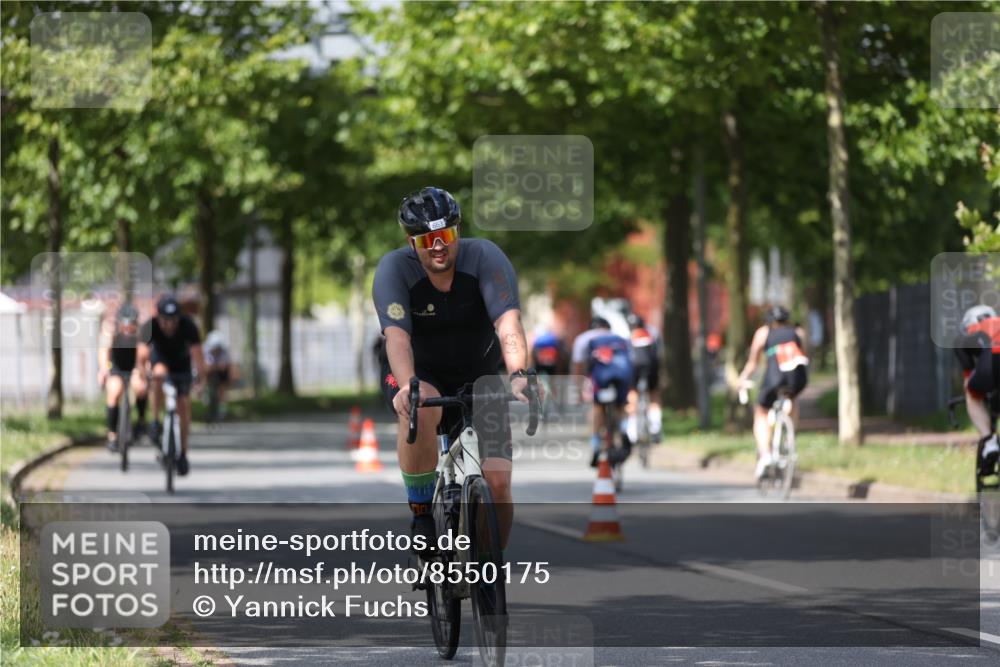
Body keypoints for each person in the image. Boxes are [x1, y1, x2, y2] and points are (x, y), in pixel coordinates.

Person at [372, 186, 534, 554]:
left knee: (499, 484)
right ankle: (421, 512)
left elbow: (508, 324)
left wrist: (519, 374)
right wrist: (408, 385)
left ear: (458, 231)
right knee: (420, 404)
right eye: (426, 239)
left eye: (445, 235)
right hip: (419, 367)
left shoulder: (486, 258)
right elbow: (396, 339)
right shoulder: (394, 270)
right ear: (411, 242)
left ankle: (488, 576)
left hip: (479, 373)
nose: (438, 246)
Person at [737, 305, 809, 480]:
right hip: (796, 377)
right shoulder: (798, 332)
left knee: (761, 412)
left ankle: (766, 453)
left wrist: (743, 378)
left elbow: (753, 362)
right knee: (792, 398)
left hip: (774, 376)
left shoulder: (763, 333)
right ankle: (789, 441)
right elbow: (805, 355)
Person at [137, 295, 206, 476]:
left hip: (181, 365)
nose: (169, 325)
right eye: (165, 321)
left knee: (183, 408)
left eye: (173, 321)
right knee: (159, 374)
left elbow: (198, 356)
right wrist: (143, 377)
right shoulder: (149, 326)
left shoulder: (188, 325)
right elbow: (142, 355)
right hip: (160, 360)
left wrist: (201, 381)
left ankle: (183, 453)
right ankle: (155, 421)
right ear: (158, 317)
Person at [571, 316, 634, 467]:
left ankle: (595, 442)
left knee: (597, 406)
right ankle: (626, 430)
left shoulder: (583, 339)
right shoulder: (620, 338)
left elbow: (578, 368)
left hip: (601, 379)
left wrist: (579, 391)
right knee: (621, 405)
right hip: (622, 376)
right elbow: (630, 361)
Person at [97, 303, 149, 452]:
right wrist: (103, 370)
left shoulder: (141, 334)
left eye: (131, 323)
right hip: (116, 367)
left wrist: (144, 372)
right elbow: (103, 352)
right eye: (125, 323)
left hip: (134, 367)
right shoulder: (111, 332)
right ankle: (112, 435)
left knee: (140, 387)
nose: (128, 327)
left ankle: (141, 421)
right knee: (114, 391)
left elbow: (145, 356)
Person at [955, 305, 1000, 470]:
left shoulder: (966, 334)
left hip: (990, 362)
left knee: (972, 395)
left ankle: (989, 441)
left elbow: (968, 376)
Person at [625, 313, 663, 444]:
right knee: (654, 395)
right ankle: (655, 427)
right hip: (651, 369)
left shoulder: (628, 338)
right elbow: (659, 355)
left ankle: (632, 432)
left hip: (633, 370)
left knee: (632, 394)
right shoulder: (653, 335)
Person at [203, 330, 233, 419]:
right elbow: (205, 366)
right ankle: (206, 395)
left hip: (221, 372)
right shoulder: (206, 349)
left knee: (222, 388)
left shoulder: (224, 351)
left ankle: (222, 408)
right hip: (210, 371)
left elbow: (224, 366)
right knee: (204, 376)